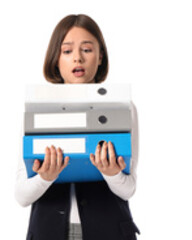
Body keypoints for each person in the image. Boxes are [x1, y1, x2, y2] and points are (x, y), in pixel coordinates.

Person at [17, 14, 140, 240]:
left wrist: (111, 174)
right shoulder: (36, 107)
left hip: (110, 231)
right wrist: (45, 177)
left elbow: (129, 189)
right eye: (67, 51)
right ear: (56, 59)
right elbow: (21, 196)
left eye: (87, 49)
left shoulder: (123, 106)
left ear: (100, 56)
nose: (77, 59)